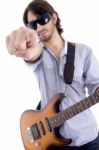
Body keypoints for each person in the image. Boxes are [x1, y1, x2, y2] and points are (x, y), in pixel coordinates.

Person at [6, 0, 99, 149]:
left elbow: (95, 84)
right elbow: (33, 56)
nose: (39, 27)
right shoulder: (39, 55)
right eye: (32, 25)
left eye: (42, 20)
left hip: (88, 139)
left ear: (54, 18)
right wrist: (28, 53)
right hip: (54, 143)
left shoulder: (84, 52)